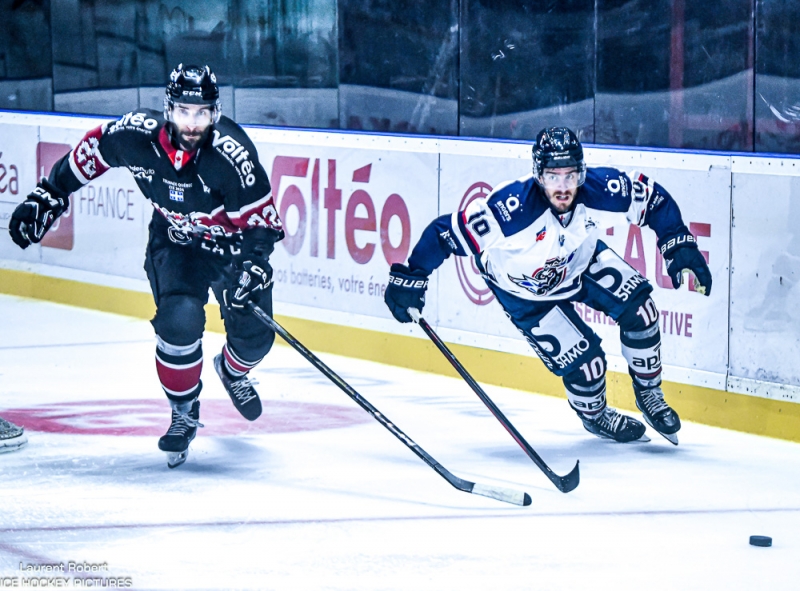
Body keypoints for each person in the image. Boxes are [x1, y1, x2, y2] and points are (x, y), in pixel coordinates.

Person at [9, 64, 283, 467]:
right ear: (168, 108)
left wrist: (254, 266)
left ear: (216, 112)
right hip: (175, 243)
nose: (193, 123)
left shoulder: (231, 154)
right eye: (185, 112)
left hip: (232, 249)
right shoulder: (133, 135)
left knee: (256, 339)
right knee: (178, 321)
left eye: (202, 113)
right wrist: (50, 193)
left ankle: (231, 370)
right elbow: (89, 155)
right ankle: (184, 411)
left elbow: (262, 226)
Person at [384, 127, 711, 445]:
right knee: (588, 367)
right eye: (554, 177)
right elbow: (444, 234)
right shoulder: (511, 209)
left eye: (570, 176)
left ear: (581, 173)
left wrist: (676, 242)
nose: (563, 186)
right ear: (539, 175)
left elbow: (652, 198)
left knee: (642, 310)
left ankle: (649, 393)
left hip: (579, 265)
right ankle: (595, 415)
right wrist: (411, 277)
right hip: (525, 292)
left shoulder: (599, 187)